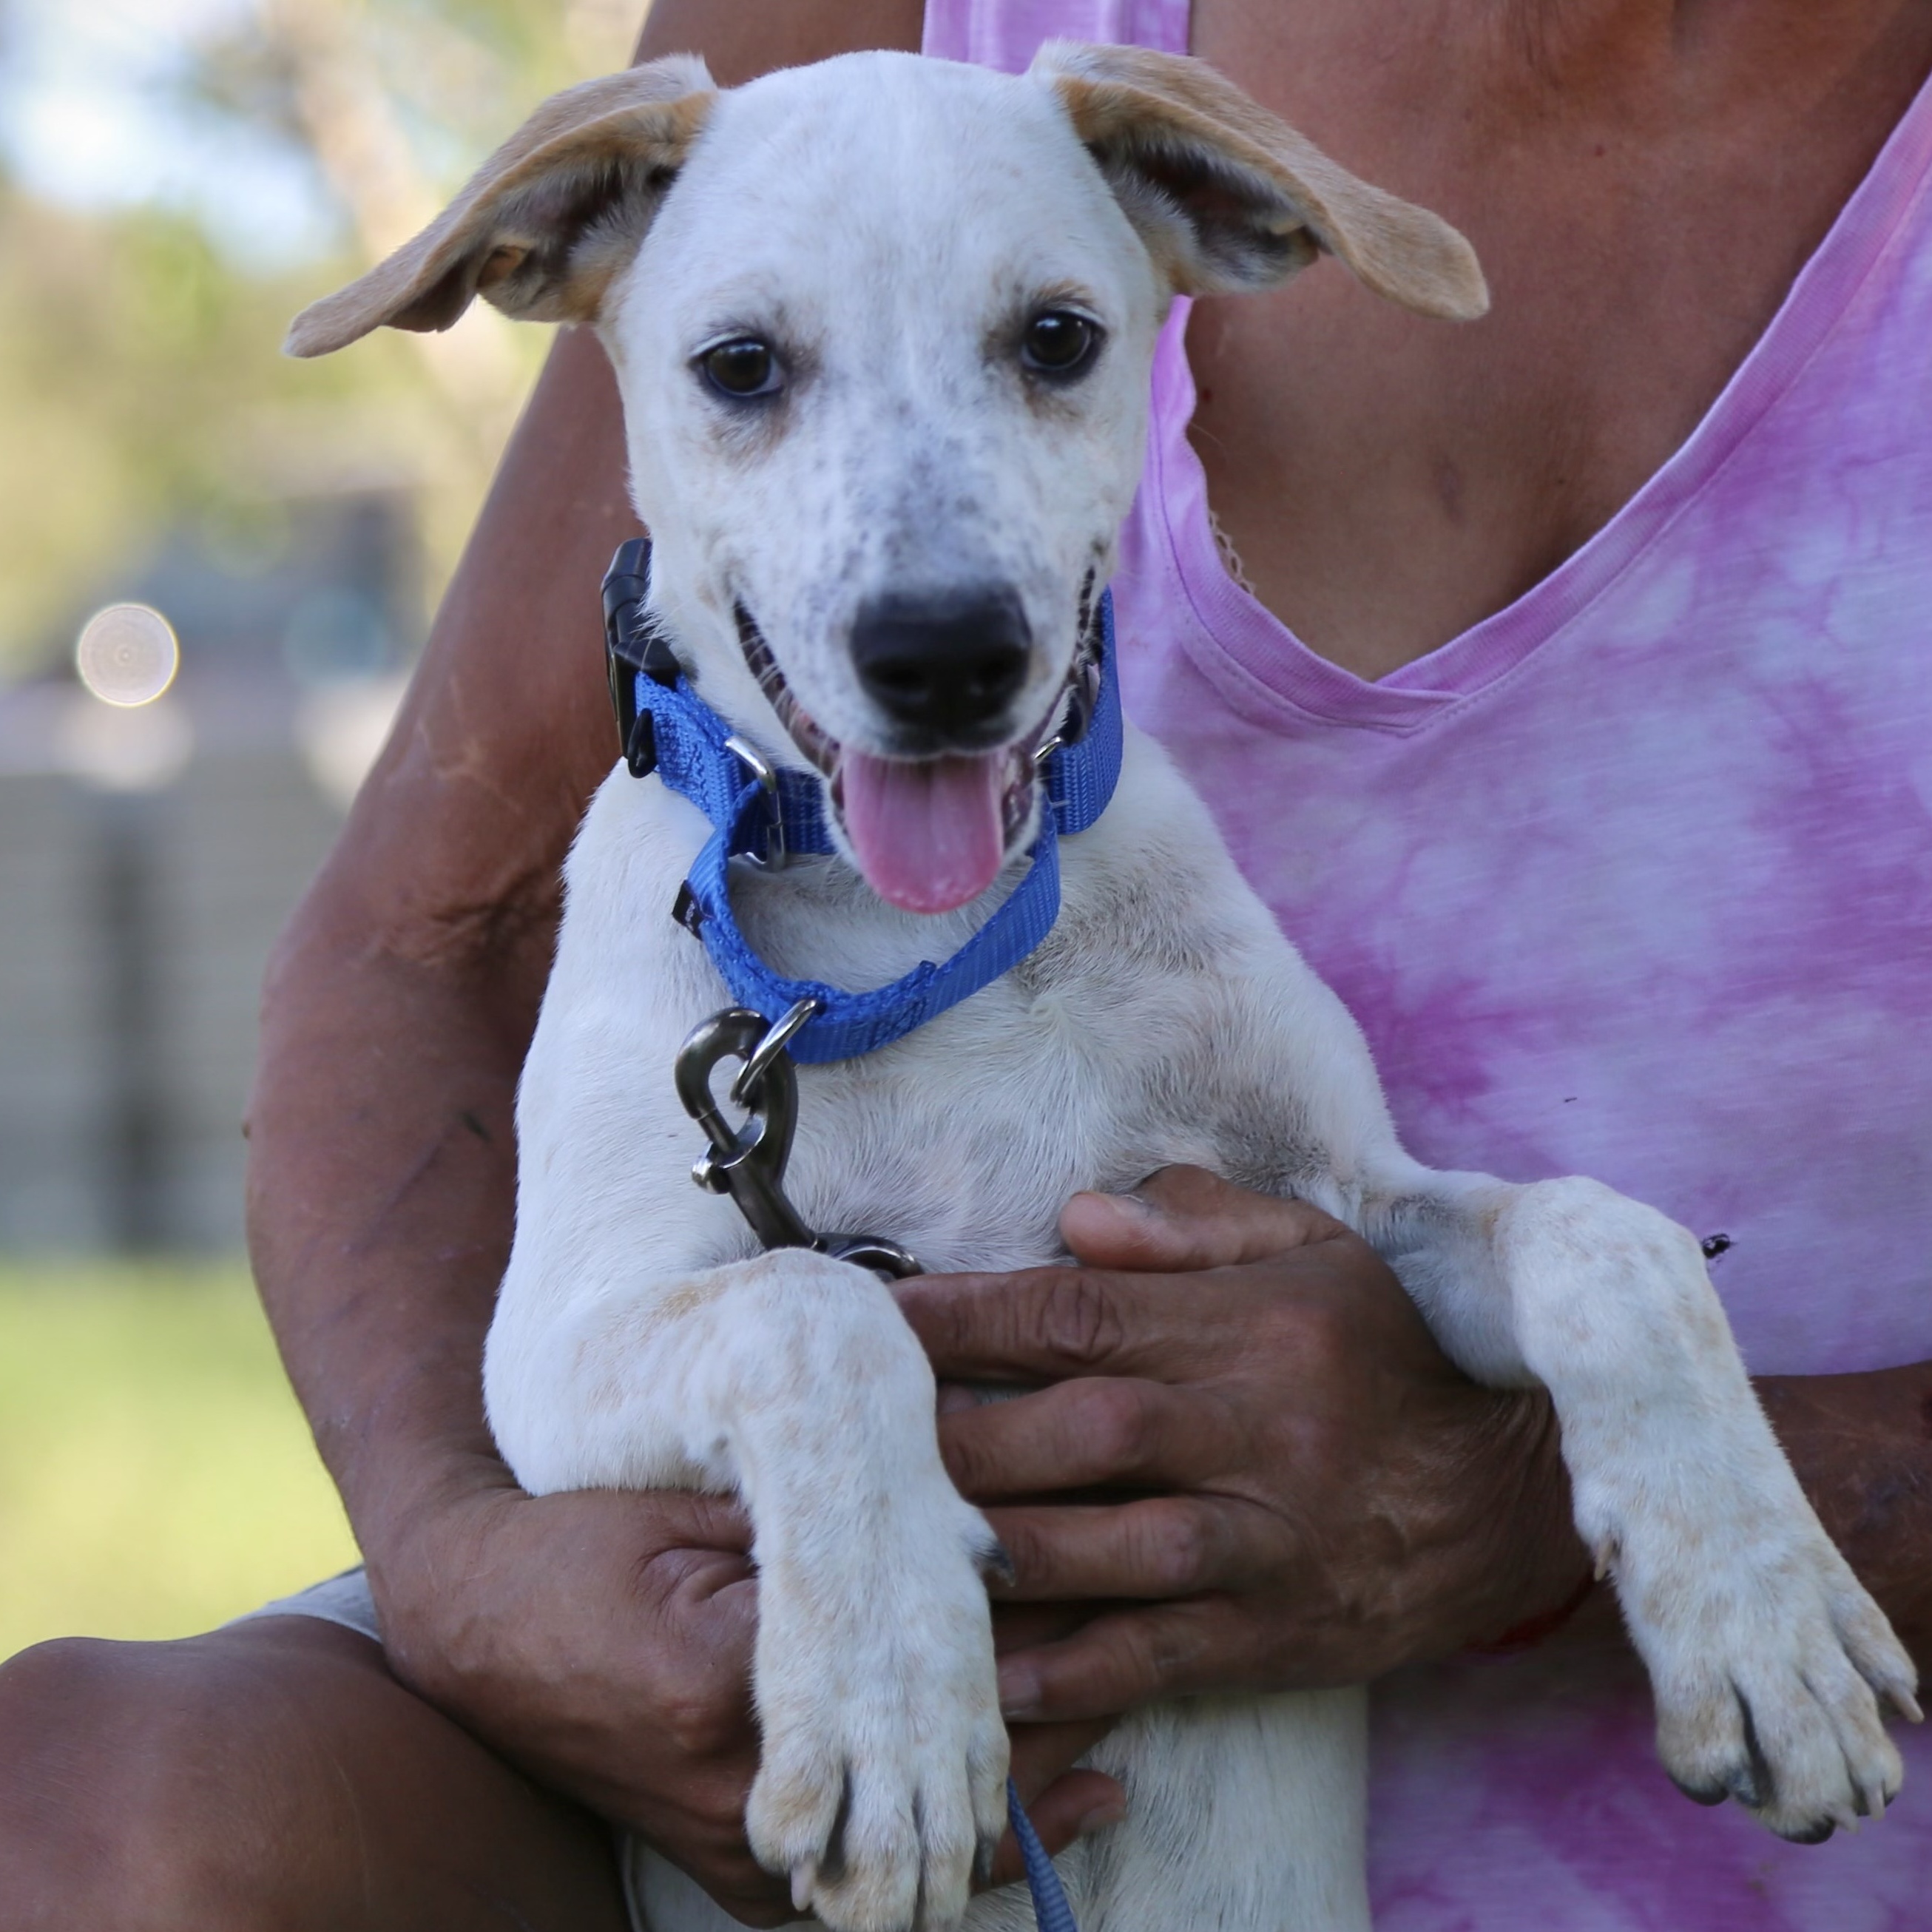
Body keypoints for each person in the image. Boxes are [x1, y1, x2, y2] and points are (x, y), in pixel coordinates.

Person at [4, 0, 1931, 1925]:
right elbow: (502, 1179)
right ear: (561, 265)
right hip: (738, 1824)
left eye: (1048, 350)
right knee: (73, 1787)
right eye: (749, 370)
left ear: (1206, 239)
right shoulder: (645, 918)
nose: (927, 583)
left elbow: (1408, 1229)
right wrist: (481, 1571)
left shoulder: (1156, 895)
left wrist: (1561, 1437)